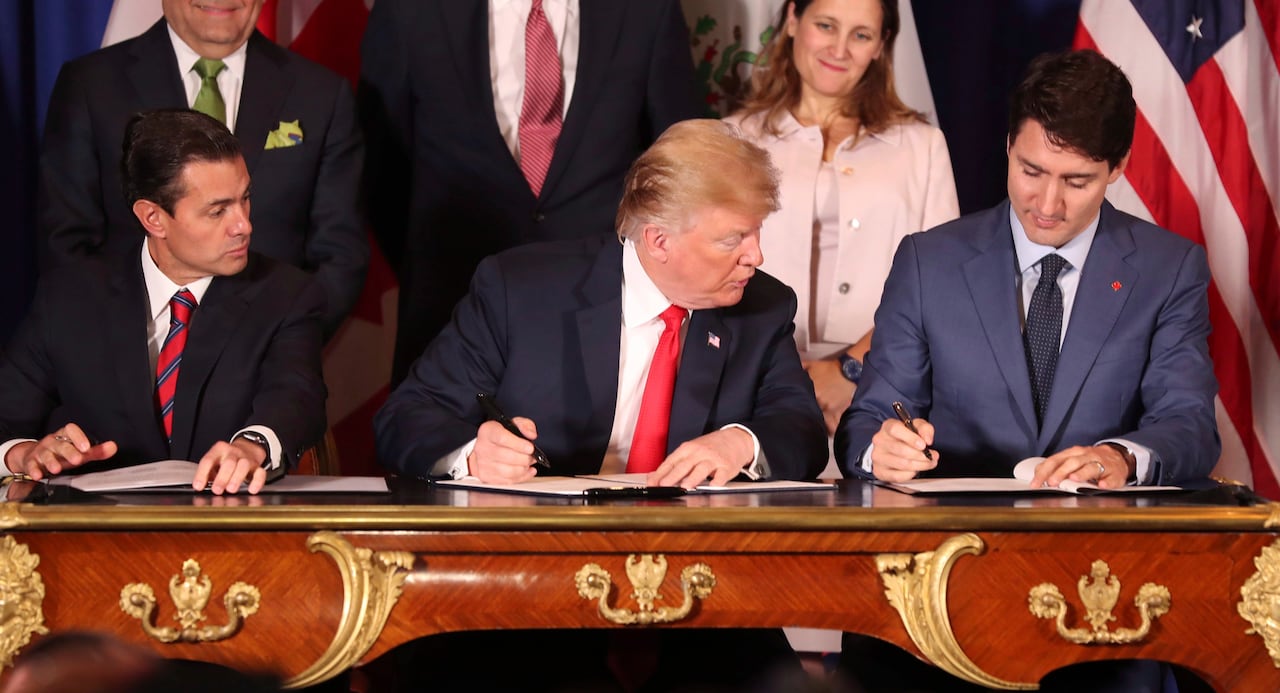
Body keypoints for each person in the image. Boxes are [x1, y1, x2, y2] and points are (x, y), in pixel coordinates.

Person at [375, 119, 826, 691]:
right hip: (530, 586)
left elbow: (801, 428)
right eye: (732, 239)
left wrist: (742, 441)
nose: (755, 256)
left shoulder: (761, 307)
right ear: (658, 240)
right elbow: (407, 416)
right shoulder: (520, 287)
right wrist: (471, 456)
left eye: (756, 233)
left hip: (702, 593)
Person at [835, 50, 1218, 692]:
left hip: (1103, 605)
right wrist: (882, 450)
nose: (1046, 203)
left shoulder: (1170, 268)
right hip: (942, 597)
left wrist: (1121, 457)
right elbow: (866, 424)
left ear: (1117, 169)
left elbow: (1189, 426)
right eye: (1031, 170)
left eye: (1077, 181)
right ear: (1008, 146)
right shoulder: (928, 262)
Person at [360, 0, 702, 386]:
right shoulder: (409, 10)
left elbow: (682, 163)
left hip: (606, 324)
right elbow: (380, 178)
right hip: (451, 317)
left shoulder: (646, 10)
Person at [0, 109, 327, 495]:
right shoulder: (69, 298)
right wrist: (20, 454)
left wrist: (251, 447)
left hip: (231, 536)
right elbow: (7, 416)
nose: (243, 225)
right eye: (218, 210)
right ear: (153, 218)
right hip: (93, 541)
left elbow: (296, 396)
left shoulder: (286, 294)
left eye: (246, 199)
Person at [39, 0, 366, 338]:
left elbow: (340, 256)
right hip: (125, 359)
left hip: (271, 363)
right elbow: (66, 243)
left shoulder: (321, 94)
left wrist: (284, 344)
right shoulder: (92, 85)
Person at [725, 0, 958, 436]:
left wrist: (851, 368)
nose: (840, 48)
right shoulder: (735, 137)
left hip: (885, 387)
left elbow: (941, 288)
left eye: (861, 35)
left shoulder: (922, 146)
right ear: (793, 20)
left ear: (881, 46)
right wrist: (785, 375)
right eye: (826, 26)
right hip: (754, 385)